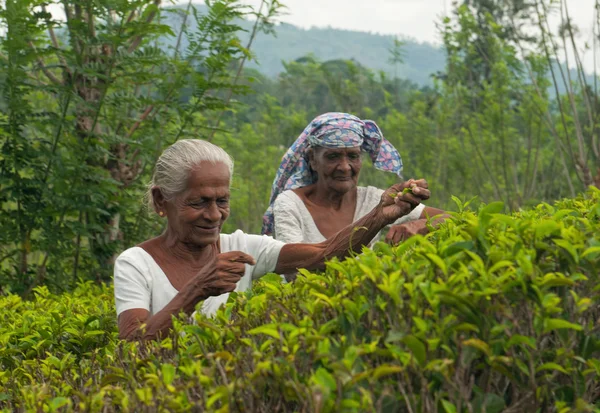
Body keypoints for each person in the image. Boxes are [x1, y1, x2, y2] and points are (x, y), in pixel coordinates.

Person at [113, 139, 431, 341]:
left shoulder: (244, 248)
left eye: (221, 201)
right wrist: (197, 290)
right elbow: (133, 348)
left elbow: (322, 255)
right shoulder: (136, 263)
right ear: (160, 201)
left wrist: (379, 216)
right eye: (199, 203)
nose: (213, 215)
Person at [262, 112, 446, 244]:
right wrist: (377, 219)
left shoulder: (374, 199)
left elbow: (454, 218)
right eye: (332, 156)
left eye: (353, 156)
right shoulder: (290, 204)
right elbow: (297, 270)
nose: (344, 167)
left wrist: (419, 224)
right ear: (312, 160)